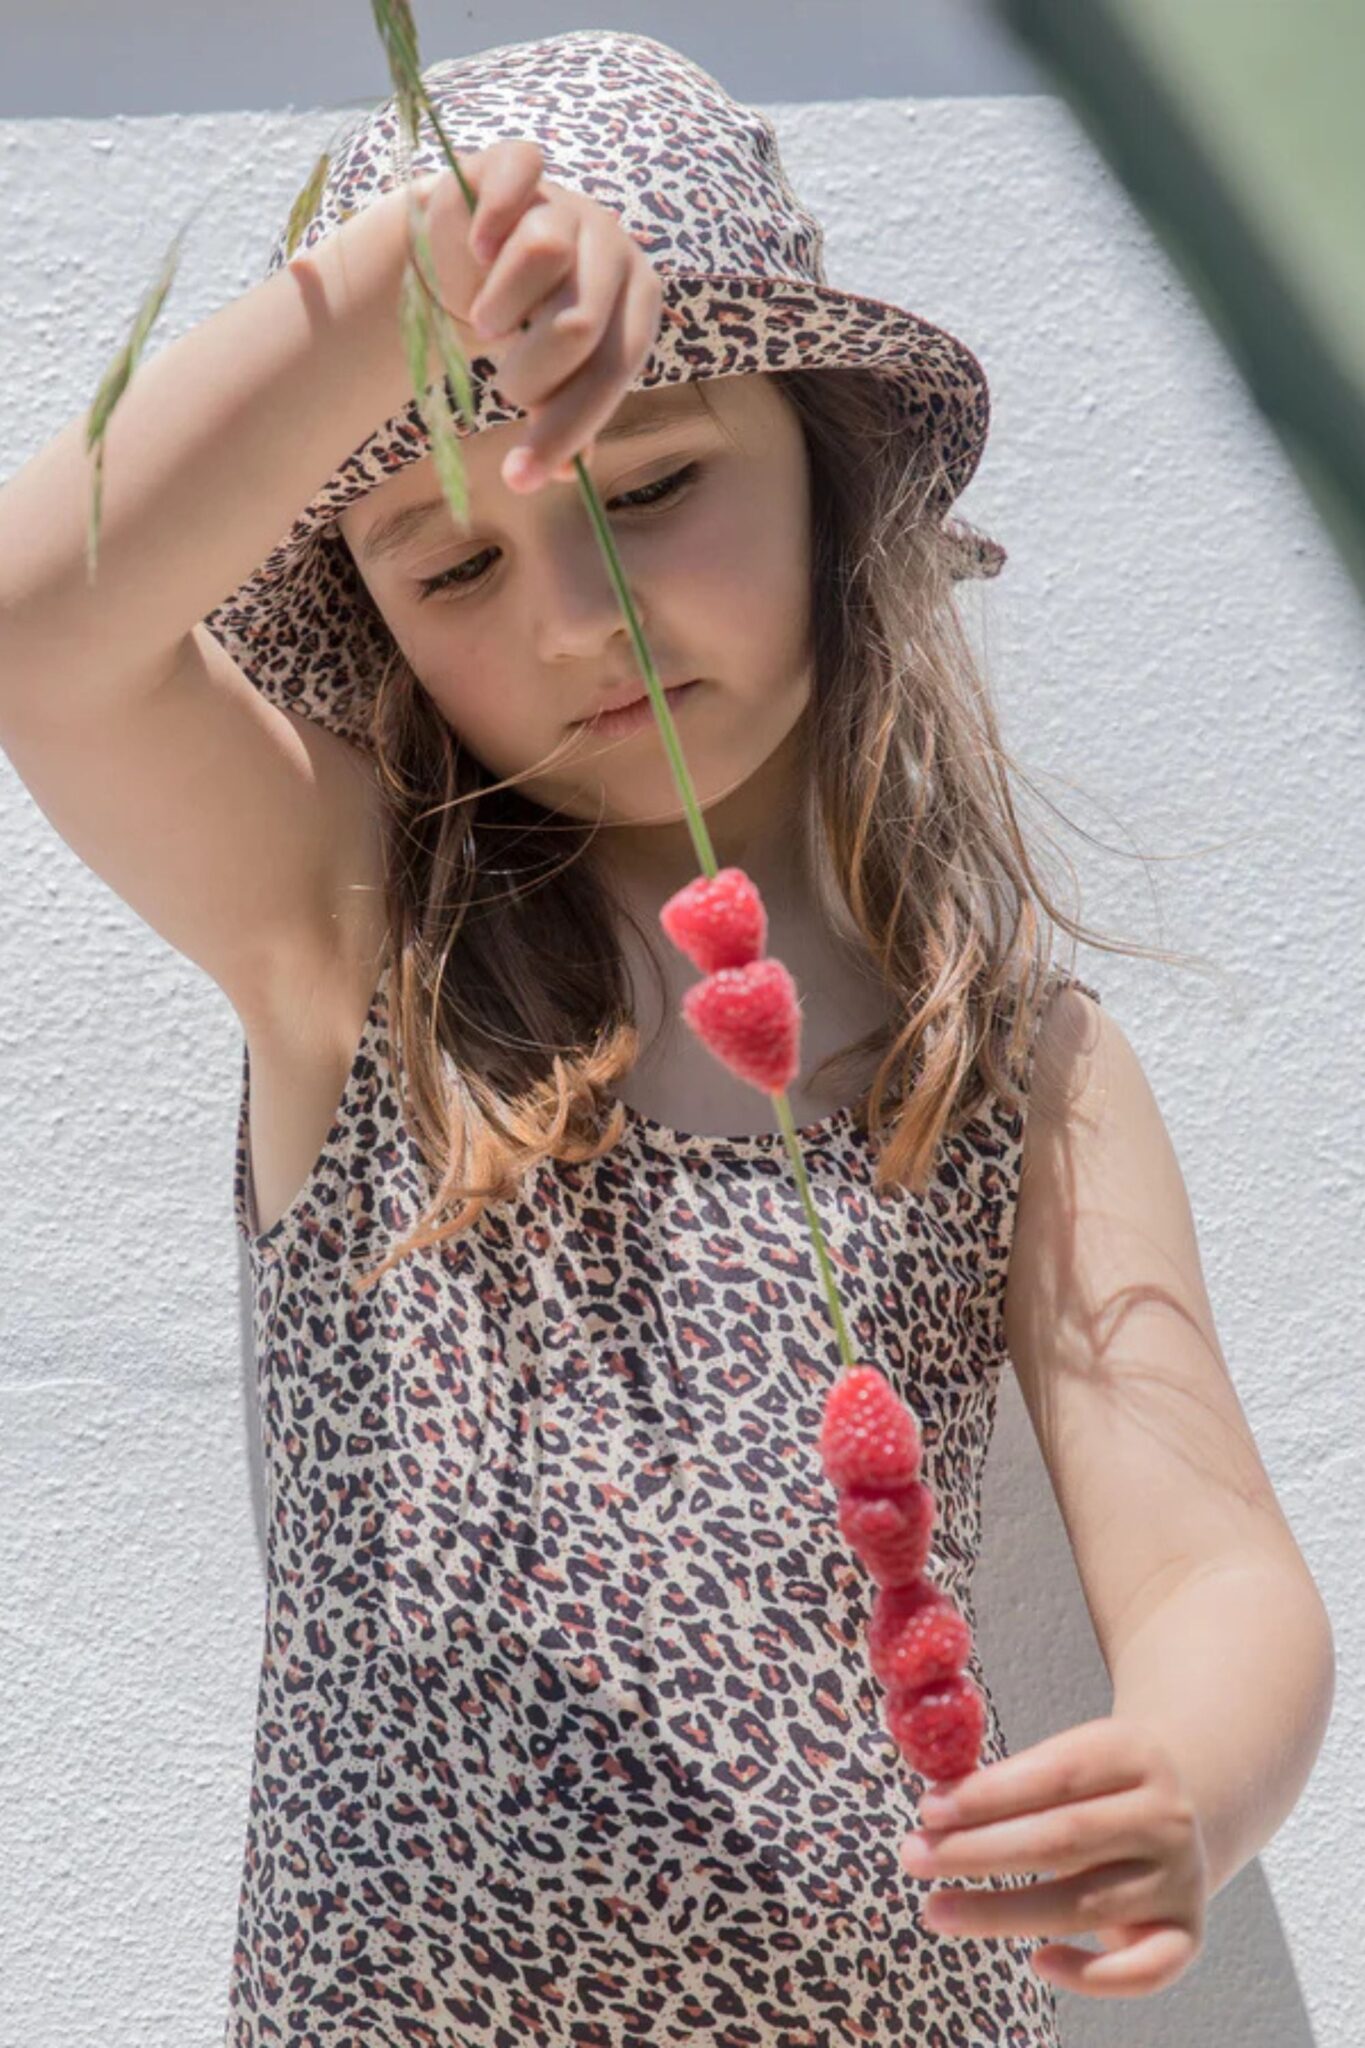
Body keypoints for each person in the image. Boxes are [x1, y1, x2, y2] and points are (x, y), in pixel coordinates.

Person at [0, 29, 1334, 2048]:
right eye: (457, 559)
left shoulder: (1005, 1067)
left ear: (825, 471)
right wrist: (387, 303)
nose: (575, 619)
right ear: (378, 625)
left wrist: (1189, 1780)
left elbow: (1211, 1559)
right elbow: (40, 632)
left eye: (656, 485)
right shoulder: (358, 941)